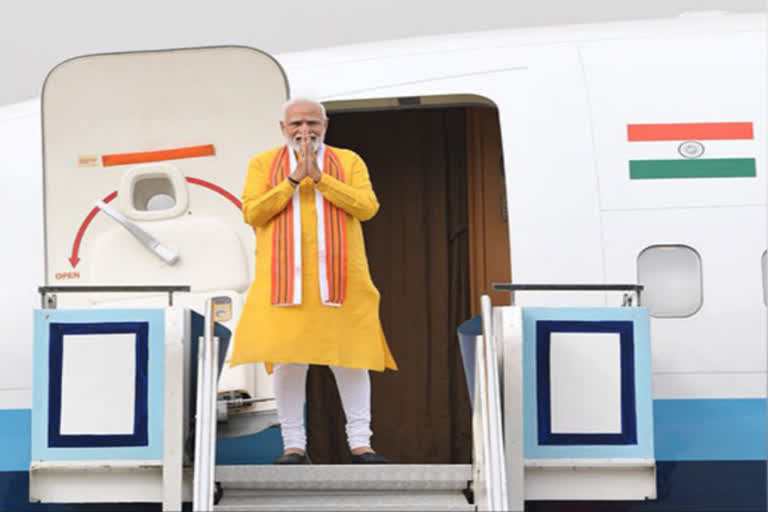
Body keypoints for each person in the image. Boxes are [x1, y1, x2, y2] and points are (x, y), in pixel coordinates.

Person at [231, 98, 398, 464]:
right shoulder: (262, 164)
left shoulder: (348, 161)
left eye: (311, 123)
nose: (304, 130)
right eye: (295, 124)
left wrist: (322, 179)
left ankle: (361, 444)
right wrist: (292, 180)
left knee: (351, 359)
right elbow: (252, 212)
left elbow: (367, 207)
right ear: (282, 128)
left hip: (341, 280)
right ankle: (293, 446)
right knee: (289, 362)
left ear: (326, 125)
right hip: (283, 283)